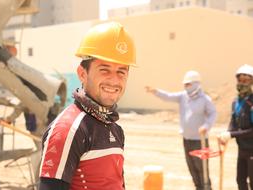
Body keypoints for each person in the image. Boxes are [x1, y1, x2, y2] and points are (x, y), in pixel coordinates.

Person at [38, 21, 136, 190]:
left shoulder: (114, 128)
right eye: (104, 69)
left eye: (121, 72)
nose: (114, 80)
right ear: (82, 74)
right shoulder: (69, 129)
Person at [145, 70, 216, 190]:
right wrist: (155, 91)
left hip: (200, 141)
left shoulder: (205, 99)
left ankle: (206, 188)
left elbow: (213, 113)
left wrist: (206, 126)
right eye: (185, 85)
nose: (186, 87)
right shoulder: (183, 96)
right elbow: (168, 96)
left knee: (202, 169)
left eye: (188, 84)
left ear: (196, 84)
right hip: (187, 140)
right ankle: (198, 187)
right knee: (192, 168)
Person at [218, 64, 253, 190]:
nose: (242, 83)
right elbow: (233, 121)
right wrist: (226, 134)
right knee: (240, 181)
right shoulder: (236, 101)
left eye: (246, 80)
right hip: (242, 148)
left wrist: (231, 135)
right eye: (240, 80)